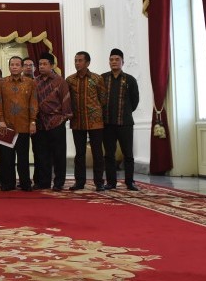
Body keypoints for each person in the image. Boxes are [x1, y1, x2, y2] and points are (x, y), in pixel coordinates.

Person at [0, 56, 38, 191]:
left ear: (22, 67)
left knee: (23, 157)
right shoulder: (1, 82)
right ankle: (7, 183)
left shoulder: (30, 82)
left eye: (17, 64)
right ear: (9, 67)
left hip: (24, 125)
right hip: (5, 125)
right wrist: (0, 120)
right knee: (6, 158)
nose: (14, 67)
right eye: (12, 64)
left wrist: (33, 121)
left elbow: (33, 103)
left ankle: (25, 183)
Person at [66, 51, 108, 192]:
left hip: (95, 121)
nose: (77, 63)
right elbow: (68, 100)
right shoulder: (70, 80)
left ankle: (99, 182)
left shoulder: (97, 79)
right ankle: (79, 182)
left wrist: (94, 111)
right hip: (77, 121)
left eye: (80, 60)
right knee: (79, 154)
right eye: (75, 60)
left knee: (97, 153)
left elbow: (103, 99)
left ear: (88, 62)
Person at [102, 48, 140, 191]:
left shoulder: (130, 79)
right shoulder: (103, 78)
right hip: (107, 124)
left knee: (128, 154)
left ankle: (130, 182)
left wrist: (125, 113)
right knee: (109, 155)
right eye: (111, 60)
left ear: (122, 61)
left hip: (125, 123)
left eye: (117, 59)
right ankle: (111, 182)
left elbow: (135, 101)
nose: (114, 62)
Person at [33, 53, 72, 191]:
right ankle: (43, 182)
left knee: (59, 154)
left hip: (56, 122)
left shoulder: (60, 81)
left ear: (52, 65)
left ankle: (58, 182)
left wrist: (64, 117)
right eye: (40, 64)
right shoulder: (35, 81)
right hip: (40, 122)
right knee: (42, 154)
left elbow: (66, 100)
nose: (41, 67)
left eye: (44, 64)